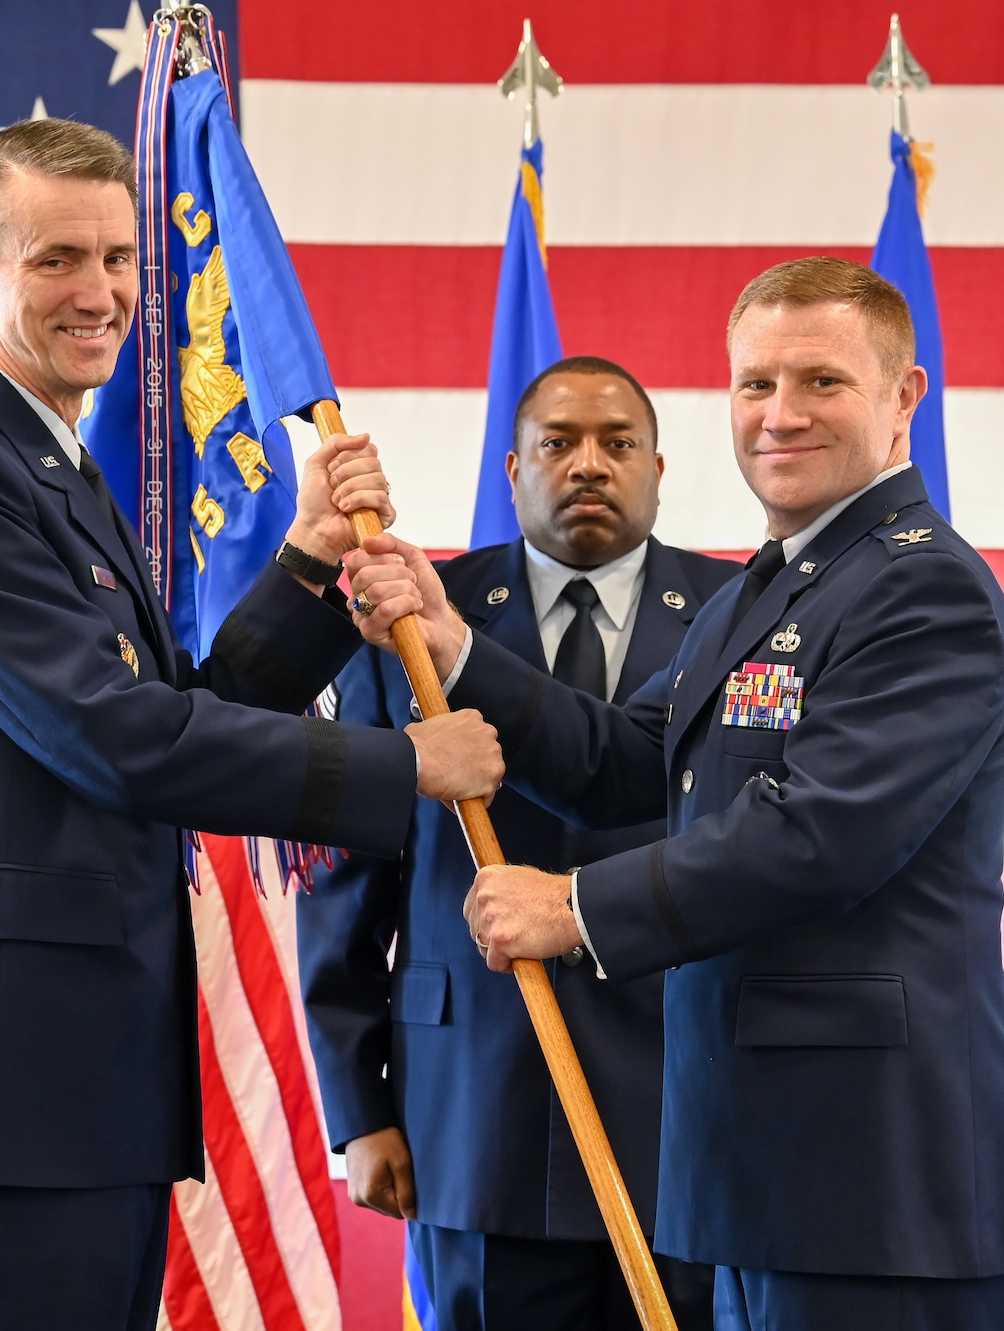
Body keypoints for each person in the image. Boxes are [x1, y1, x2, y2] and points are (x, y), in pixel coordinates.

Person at [0, 118, 503, 1331]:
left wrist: (305, 565)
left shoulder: (57, 466)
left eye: (119, 258)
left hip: (77, 1080)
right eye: (55, 260)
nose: (99, 294)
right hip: (7, 1087)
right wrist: (401, 762)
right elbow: (116, 738)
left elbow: (172, 708)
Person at [345, 257, 1004, 1331]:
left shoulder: (919, 585)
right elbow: (628, 760)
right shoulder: (771, 583)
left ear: (904, 396)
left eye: (820, 381)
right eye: (755, 383)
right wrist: (455, 646)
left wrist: (574, 908)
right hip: (757, 1174)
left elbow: (820, 833)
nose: (781, 414)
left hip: (871, 1183)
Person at [297, 356, 733, 1331]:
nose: (587, 464)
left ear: (658, 468)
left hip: (682, 1105)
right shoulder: (408, 618)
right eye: (557, 442)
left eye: (616, 443)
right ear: (511, 468)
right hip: (471, 1105)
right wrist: (357, 1104)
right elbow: (345, 883)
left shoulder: (734, 621)